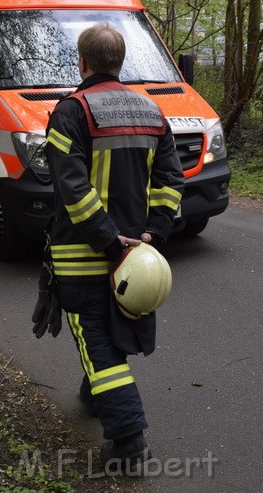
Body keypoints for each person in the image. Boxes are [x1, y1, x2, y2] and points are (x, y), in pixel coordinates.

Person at [36, 24, 185, 473]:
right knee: (105, 333)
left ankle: (128, 442)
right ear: (120, 62)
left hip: (85, 255)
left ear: (82, 62)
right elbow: (171, 180)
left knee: (97, 339)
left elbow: (72, 188)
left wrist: (106, 241)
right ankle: (95, 393)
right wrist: (152, 234)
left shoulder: (71, 112)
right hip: (135, 258)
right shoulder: (151, 110)